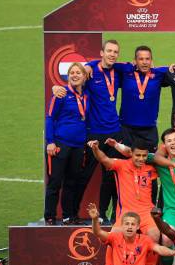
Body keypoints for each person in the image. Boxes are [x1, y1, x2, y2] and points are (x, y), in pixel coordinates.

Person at [52, 40, 124, 223]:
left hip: (114, 132)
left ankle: (111, 215)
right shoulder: (90, 72)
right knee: (83, 176)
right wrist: (56, 87)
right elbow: (75, 80)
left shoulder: (120, 71)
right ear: (102, 52)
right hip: (94, 134)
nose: (112, 54)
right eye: (109, 51)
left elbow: (138, 67)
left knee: (112, 175)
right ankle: (71, 214)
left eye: (115, 52)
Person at [87, 139, 161, 242]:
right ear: (131, 153)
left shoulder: (151, 169)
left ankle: (143, 258)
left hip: (147, 213)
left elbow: (164, 160)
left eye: (144, 156)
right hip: (126, 213)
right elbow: (103, 159)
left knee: (155, 235)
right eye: (138, 155)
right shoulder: (121, 165)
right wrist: (95, 148)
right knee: (114, 238)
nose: (141, 159)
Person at [44, 63, 88, 225]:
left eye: (78, 73)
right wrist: (50, 142)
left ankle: (68, 216)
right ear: (68, 76)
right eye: (72, 73)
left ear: (84, 77)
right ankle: (49, 216)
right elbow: (50, 117)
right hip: (60, 144)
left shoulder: (86, 95)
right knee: (55, 181)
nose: (75, 75)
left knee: (71, 182)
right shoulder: (61, 94)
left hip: (78, 146)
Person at [116, 46, 170, 150]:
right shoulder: (126, 71)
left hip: (149, 129)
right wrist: (90, 65)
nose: (144, 62)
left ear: (151, 60)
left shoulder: (159, 74)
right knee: (127, 162)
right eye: (141, 59)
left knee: (150, 163)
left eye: (147, 59)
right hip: (126, 129)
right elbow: (106, 64)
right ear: (134, 61)